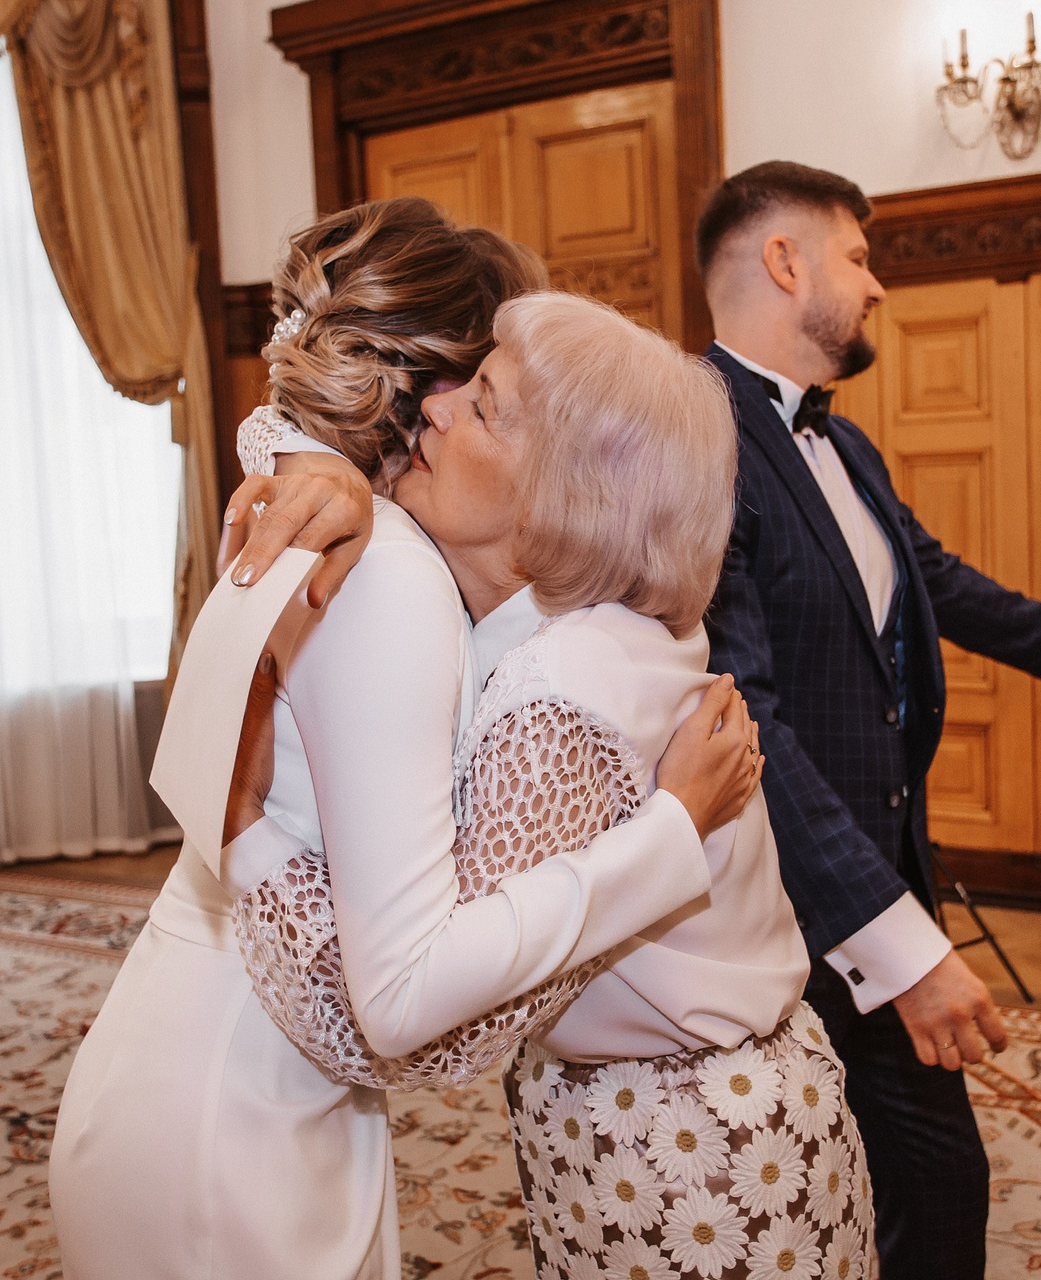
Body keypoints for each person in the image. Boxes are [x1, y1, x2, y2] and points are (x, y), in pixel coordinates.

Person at [49, 199, 760, 1280]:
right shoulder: (385, 575)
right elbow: (408, 993)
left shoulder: (352, 528)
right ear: (419, 390)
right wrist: (667, 834)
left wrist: (309, 454)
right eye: (484, 389)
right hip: (230, 1107)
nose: (450, 413)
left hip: (251, 1068)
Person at [695, 161, 1041, 1279]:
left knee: (919, 1180)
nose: (878, 285)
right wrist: (899, 942)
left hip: (875, 856)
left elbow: (928, 573)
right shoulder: (693, 434)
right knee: (837, 1185)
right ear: (785, 262)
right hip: (785, 893)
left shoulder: (844, 443)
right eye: (858, 257)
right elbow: (744, 712)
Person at [401, 290, 873, 1279]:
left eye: (482, 404)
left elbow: (458, 1014)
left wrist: (253, 836)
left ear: (568, 490)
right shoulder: (622, 634)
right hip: (741, 1107)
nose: (433, 409)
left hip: (681, 1148)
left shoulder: (558, 684)